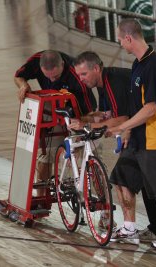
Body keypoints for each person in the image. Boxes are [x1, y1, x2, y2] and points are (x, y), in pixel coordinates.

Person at [70, 52, 156, 237]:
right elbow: (109, 115)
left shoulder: (113, 82)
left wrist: (87, 125)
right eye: (78, 75)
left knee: (150, 182)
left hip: (151, 131)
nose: (80, 79)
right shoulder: (102, 84)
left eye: (83, 74)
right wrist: (91, 119)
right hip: (137, 132)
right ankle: (152, 228)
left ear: (96, 68)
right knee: (127, 178)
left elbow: (121, 118)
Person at [107, 18, 156, 251]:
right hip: (139, 136)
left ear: (129, 38)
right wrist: (128, 130)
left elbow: (151, 108)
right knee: (121, 176)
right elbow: (136, 105)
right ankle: (129, 228)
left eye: (120, 39)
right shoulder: (137, 64)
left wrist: (121, 126)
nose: (120, 44)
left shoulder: (154, 66)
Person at [14, 50, 98, 195]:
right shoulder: (37, 60)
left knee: (92, 156)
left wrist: (80, 128)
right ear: (40, 68)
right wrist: (23, 85)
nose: (52, 80)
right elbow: (18, 76)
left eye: (57, 76)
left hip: (80, 112)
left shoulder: (76, 76)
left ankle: (103, 206)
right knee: (47, 154)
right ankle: (42, 199)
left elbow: (91, 112)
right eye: (48, 77)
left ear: (63, 65)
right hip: (54, 105)